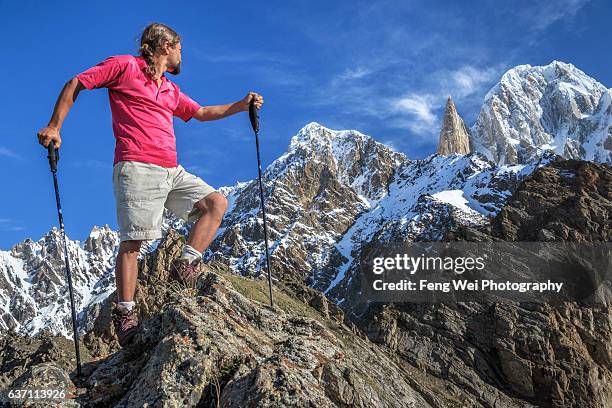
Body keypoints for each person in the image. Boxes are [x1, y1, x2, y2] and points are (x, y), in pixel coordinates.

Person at [37, 23, 264, 347]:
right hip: (137, 167)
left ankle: (185, 266)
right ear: (165, 46)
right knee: (133, 242)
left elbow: (200, 112)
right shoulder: (124, 67)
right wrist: (54, 126)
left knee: (216, 204)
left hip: (171, 170)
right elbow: (78, 82)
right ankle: (126, 313)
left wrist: (241, 106)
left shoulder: (168, 89)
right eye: (180, 48)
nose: (182, 54)